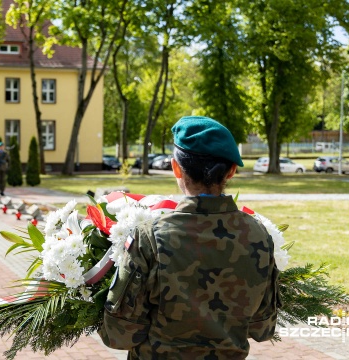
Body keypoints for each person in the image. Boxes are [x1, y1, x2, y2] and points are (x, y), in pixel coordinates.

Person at [99, 116, 280, 359]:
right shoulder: (258, 235)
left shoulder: (149, 237)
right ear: (231, 171)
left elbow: (119, 335)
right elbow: (263, 328)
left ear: (175, 167)